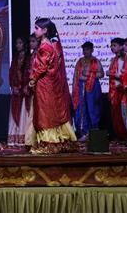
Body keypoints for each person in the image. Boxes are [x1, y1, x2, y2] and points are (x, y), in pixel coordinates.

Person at [28, 18, 77, 154]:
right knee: (51, 111)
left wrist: (33, 79)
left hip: (44, 83)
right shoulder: (49, 44)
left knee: (45, 113)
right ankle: (58, 140)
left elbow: (42, 67)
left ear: (44, 30)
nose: (34, 31)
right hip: (48, 83)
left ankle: (48, 143)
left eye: (37, 28)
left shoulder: (45, 46)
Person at [72, 41, 104, 141]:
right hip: (81, 87)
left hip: (93, 87)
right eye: (84, 49)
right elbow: (76, 76)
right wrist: (75, 89)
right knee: (82, 109)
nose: (85, 51)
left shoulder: (96, 61)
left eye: (87, 49)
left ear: (92, 50)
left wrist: (89, 74)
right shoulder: (80, 61)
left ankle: (94, 132)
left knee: (93, 109)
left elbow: (101, 74)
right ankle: (84, 133)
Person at [7, 37, 31, 146]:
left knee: (24, 114)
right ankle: (14, 138)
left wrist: (25, 87)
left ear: (24, 44)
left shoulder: (29, 58)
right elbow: (11, 74)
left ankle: (23, 138)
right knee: (14, 112)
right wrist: (13, 86)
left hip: (25, 92)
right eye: (17, 43)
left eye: (20, 43)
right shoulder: (15, 58)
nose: (17, 45)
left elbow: (30, 74)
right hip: (16, 91)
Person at [106, 37, 127, 142]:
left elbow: (123, 75)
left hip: (121, 89)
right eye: (111, 45)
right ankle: (119, 136)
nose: (112, 47)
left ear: (121, 46)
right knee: (115, 114)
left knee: (122, 114)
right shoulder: (114, 59)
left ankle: (125, 135)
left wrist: (112, 74)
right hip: (113, 89)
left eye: (114, 45)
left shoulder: (124, 59)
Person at [23, 34, 39, 148]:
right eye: (30, 41)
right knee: (33, 114)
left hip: (39, 87)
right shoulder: (33, 54)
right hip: (33, 86)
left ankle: (36, 139)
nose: (31, 44)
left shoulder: (40, 54)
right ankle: (31, 140)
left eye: (33, 41)